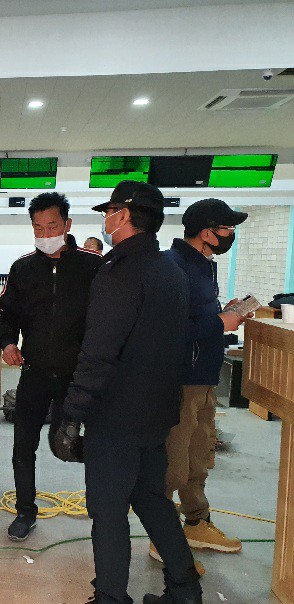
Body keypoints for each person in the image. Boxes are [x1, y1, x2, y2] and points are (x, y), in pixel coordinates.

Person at [54, 181, 202, 604]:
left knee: (108, 510)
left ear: (122, 215)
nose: (106, 221)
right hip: (157, 413)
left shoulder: (119, 272)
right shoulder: (169, 269)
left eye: (109, 213)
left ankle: (111, 597)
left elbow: (100, 350)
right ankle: (185, 589)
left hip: (116, 416)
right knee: (151, 498)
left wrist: (73, 413)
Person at [0, 192, 103, 541]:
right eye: (38, 229)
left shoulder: (93, 266)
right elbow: (6, 313)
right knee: (22, 446)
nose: (45, 235)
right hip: (35, 374)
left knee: (66, 444)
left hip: (77, 377)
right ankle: (25, 511)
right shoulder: (23, 268)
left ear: (67, 224)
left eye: (52, 227)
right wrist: (7, 342)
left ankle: (103, 508)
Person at [156, 199, 248, 563]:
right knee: (173, 464)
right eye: (227, 229)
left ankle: (196, 523)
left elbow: (196, 316)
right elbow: (168, 330)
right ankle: (163, 537)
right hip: (182, 380)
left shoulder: (204, 265)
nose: (231, 235)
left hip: (204, 378)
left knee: (198, 459)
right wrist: (219, 323)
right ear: (208, 233)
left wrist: (225, 312)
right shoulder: (173, 267)